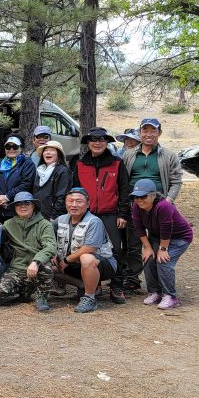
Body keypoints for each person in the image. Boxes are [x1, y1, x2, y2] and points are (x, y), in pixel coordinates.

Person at [122, 117, 184, 294]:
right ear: (139, 133)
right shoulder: (129, 155)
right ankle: (132, 278)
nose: (148, 134)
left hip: (158, 207)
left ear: (159, 133)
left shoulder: (168, 156)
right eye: (145, 130)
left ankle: (159, 284)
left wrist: (168, 201)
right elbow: (124, 180)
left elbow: (176, 181)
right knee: (133, 242)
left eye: (153, 130)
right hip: (135, 204)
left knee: (157, 243)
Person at [70, 127, 131, 304]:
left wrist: (122, 213)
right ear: (88, 143)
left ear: (107, 142)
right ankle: (92, 285)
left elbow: (124, 190)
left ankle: (116, 285)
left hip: (110, 213)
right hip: (87, 214)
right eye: (93, 140)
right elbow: (75, 190)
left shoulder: (117, 163)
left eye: (102, 140)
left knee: (115, 250)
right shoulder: (80, 164)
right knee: (85, 249)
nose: (97, 143)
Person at [52, 188, 117, 314]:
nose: (74, 205)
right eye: (70, 201)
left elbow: (90, 248)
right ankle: (83, 285)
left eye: (79, 201)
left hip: (102, 263)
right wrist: (52, 255)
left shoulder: (94, 221)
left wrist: (66, 260)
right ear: (65, 203)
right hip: (73, 264)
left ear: (87, 204)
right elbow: (49, 241)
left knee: (86, 257)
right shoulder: (59, 220)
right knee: (47, 266)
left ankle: (89, 298)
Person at [130, 180, 193, 310]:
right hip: (156, 236)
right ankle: (155, 292)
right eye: (136, 197)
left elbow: (166, 229)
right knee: (148, 258)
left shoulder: (163, 206)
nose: (139, 200)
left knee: (163, 261)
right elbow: (138, 228)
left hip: (179, 238)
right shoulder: (136, 206)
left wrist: (163, 249)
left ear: (153, 195)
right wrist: (147, 248)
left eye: (143, 196)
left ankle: (171, 296)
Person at [0, 192, 57, 312]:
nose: (23, 206)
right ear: (14, 208)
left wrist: (36, 262)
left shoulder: (45, 224)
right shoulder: (8, 225)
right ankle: (25, 292)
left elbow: (50, 246)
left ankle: (41, 296)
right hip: (16, 268)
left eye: (27, 203)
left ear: (33, 205)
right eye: (18, 204)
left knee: (47, 269)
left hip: (37, 267)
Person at [0, 136, 36, 222]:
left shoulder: (27, 164)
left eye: (15, 146)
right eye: (8, 146)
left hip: (17, 209)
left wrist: (7, 197)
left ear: (21, 148)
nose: (11, 149)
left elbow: (26, 184)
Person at [33, 140, 71, 221]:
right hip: (37, 215)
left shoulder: (63, 171)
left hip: (53, 218)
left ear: (59, 154)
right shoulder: (39, 171)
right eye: (46, 150)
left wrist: (54, 217)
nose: (48, 152)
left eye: (52, 150)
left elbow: (62, 196)